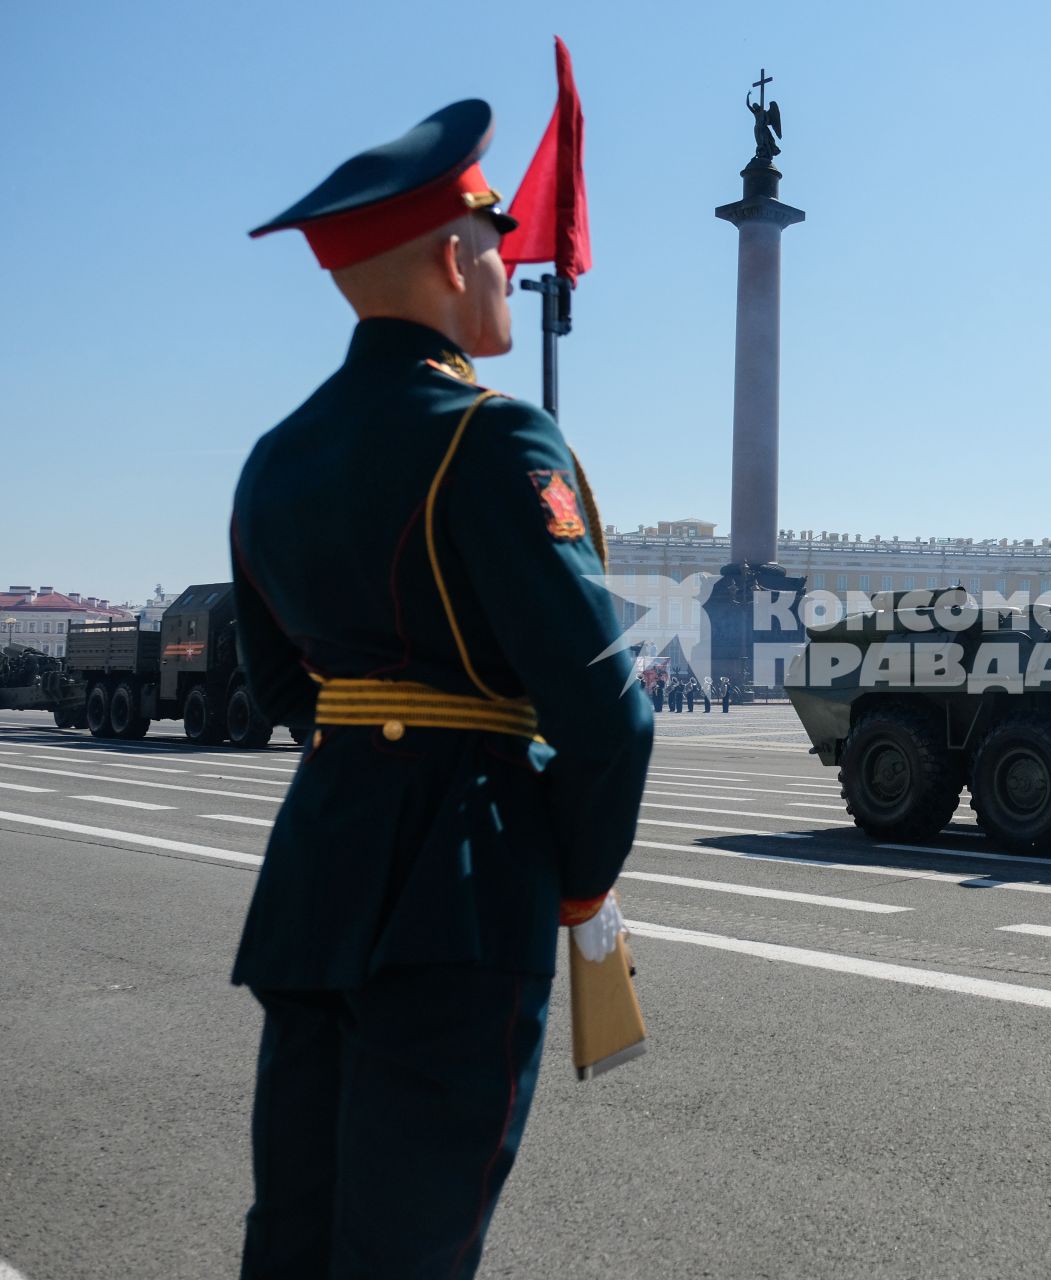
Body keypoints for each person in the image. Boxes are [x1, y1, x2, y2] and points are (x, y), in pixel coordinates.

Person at [231, 100, 652, 1279]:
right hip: (463, 883)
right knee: (412, 1245)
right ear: (454, 255)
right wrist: (577, 886)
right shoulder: (496, 439)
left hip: (319, 872)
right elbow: (608, 714)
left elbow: (280, 687)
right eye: (495, 239)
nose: (512, 265)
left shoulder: (276, 455)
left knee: (295, 1237)